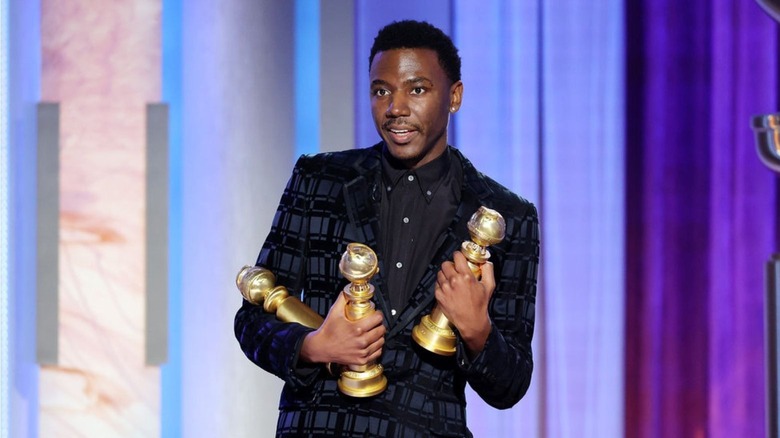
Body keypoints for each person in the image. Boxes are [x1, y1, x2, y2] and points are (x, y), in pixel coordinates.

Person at [234, 19, 540, 437]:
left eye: (417, 89)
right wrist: (313, 346)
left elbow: (511, 384)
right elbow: (251, 320)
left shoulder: (505, 215)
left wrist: (476, 328)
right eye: (382, 90)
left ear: (454, 96)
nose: (396, 107)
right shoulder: (319, 179)